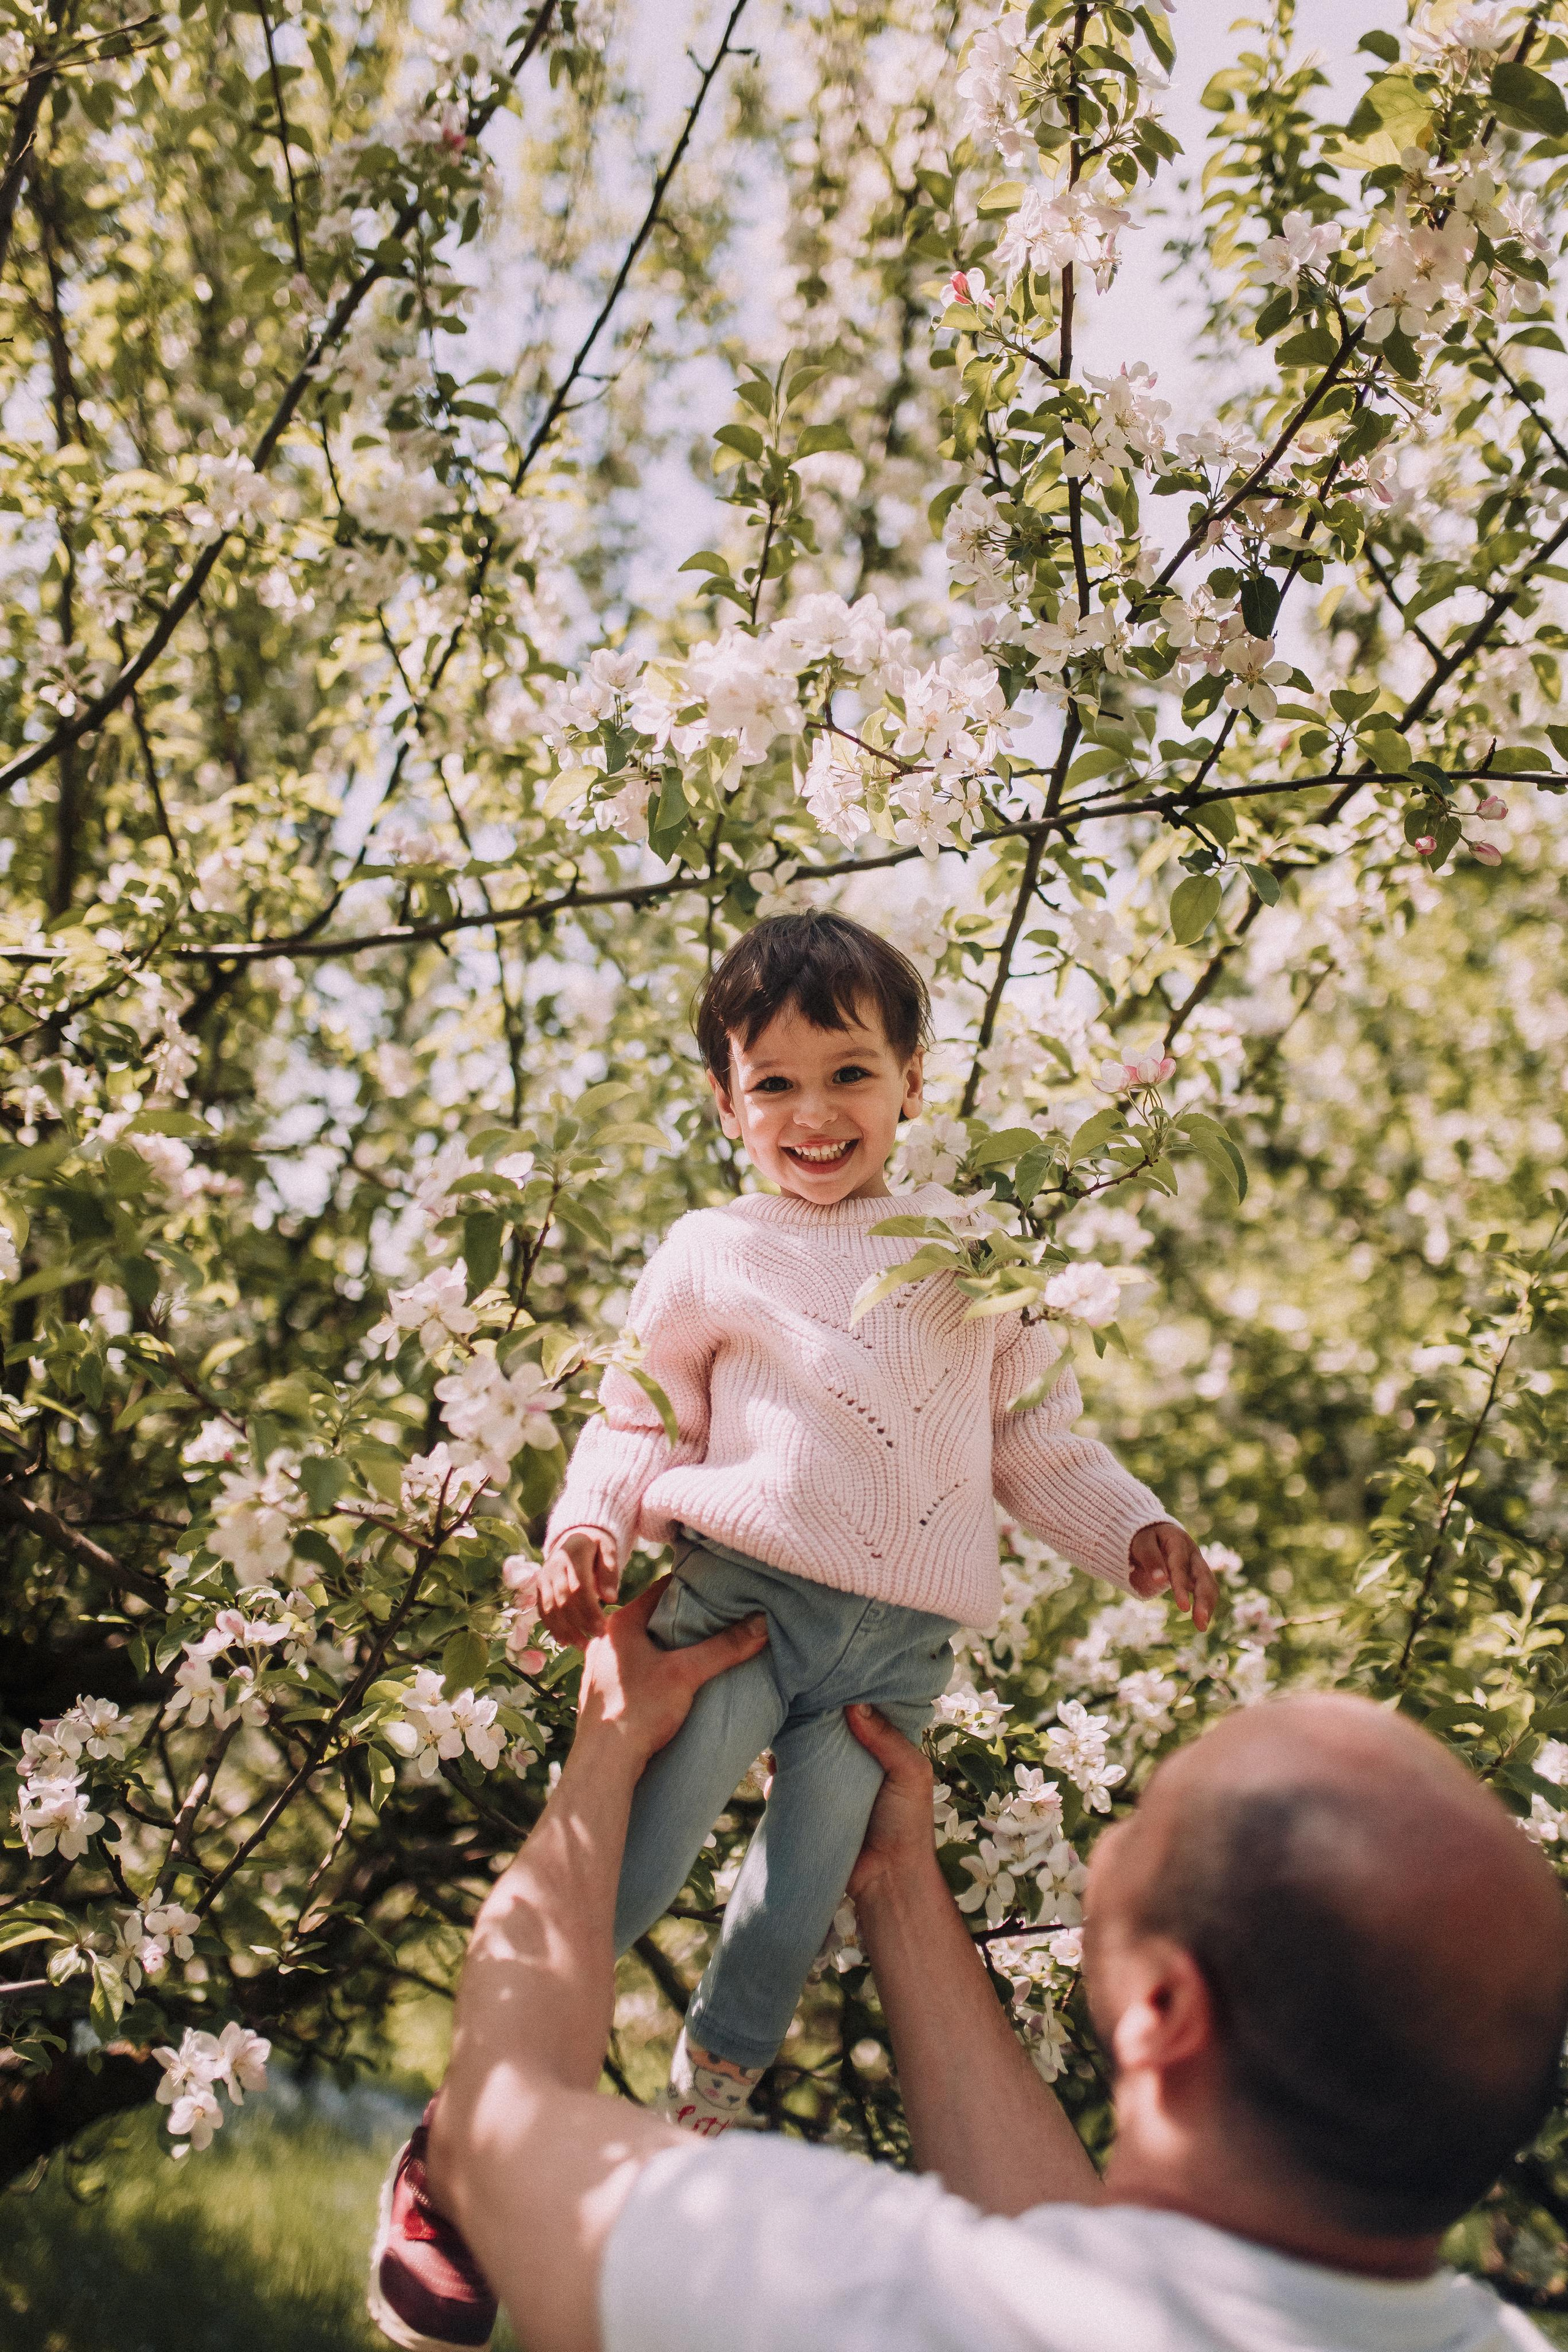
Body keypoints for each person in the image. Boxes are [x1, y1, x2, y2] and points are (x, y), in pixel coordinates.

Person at [375, 1589, 1568, 2352]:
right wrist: (897, 1880)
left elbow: (496, 2124)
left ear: (1162, 2010)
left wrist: (610, 1740)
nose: (1110, 1844)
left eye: (1151, 1818)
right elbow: (1087, 2250)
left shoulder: (866, 2301)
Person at [521, 910, 1213, 2135]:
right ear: (724, 1103)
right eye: (772, 1084)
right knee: (645, 1846)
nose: (815, 1113)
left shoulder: (970, 1251)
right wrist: (587, 1531)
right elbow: (638, 1421)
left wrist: (1131, 1527)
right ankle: (509, 2052)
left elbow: (1031, 1440)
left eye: (850, 1073)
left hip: (893, 1659)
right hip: (739, 1609)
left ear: (911, 1082)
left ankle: (708, 2105)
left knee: (796, 1898)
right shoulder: (712, 1251)